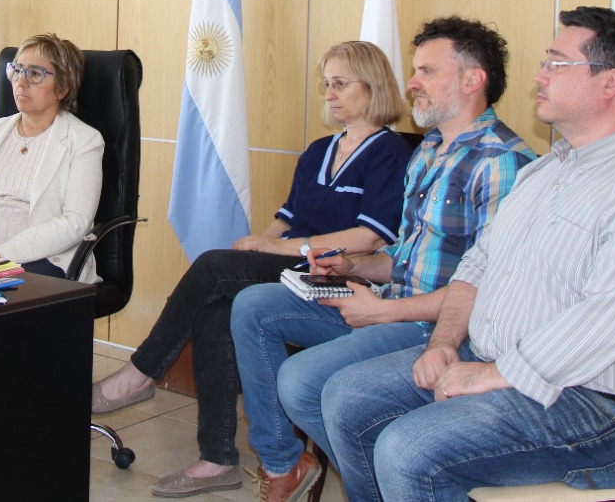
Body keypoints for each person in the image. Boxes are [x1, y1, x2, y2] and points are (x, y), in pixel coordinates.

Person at [318, 7, 615, 502]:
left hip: (602, 406)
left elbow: (603, 322)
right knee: (347, 398)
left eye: (556, 64)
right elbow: (477, 265)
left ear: (612, 82)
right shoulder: (544, 172)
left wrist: (491, 375)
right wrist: (443, 342)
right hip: (503, 361)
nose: (538, 76)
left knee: (409, 447)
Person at [229, 16, 536, 502]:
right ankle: (289, 464)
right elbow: (404, 256)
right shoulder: (429, 149)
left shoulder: (501, 162)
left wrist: (384, 311)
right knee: (253, 305)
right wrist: (353, 266)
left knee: (304, 383)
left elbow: (490, 289)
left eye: (427, 71)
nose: (411, 82)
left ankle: (388, 481)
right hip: (391, 303)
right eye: (415, 70)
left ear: (472, 80)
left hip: (438, 327)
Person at [91, 41, 414, 498]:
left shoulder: (391, 153)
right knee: (216, 310)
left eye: (341, 84)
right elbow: (286, 219)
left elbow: (369, 237)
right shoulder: (319, 150)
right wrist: (259, 244)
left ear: (373, 85)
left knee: (213, 266)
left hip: (340, 277)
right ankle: (216, 458)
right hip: (291, 267)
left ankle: (142, 372)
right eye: (326, 84)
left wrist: (278, 247)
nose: (329, 94)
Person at [0, 33, 104, 281]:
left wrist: (1, 255)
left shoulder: (84, 140)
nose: (21, 82)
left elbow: (76, 221)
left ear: (62, 88)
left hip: (40, 260)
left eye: (35, 74)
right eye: (17, 70)